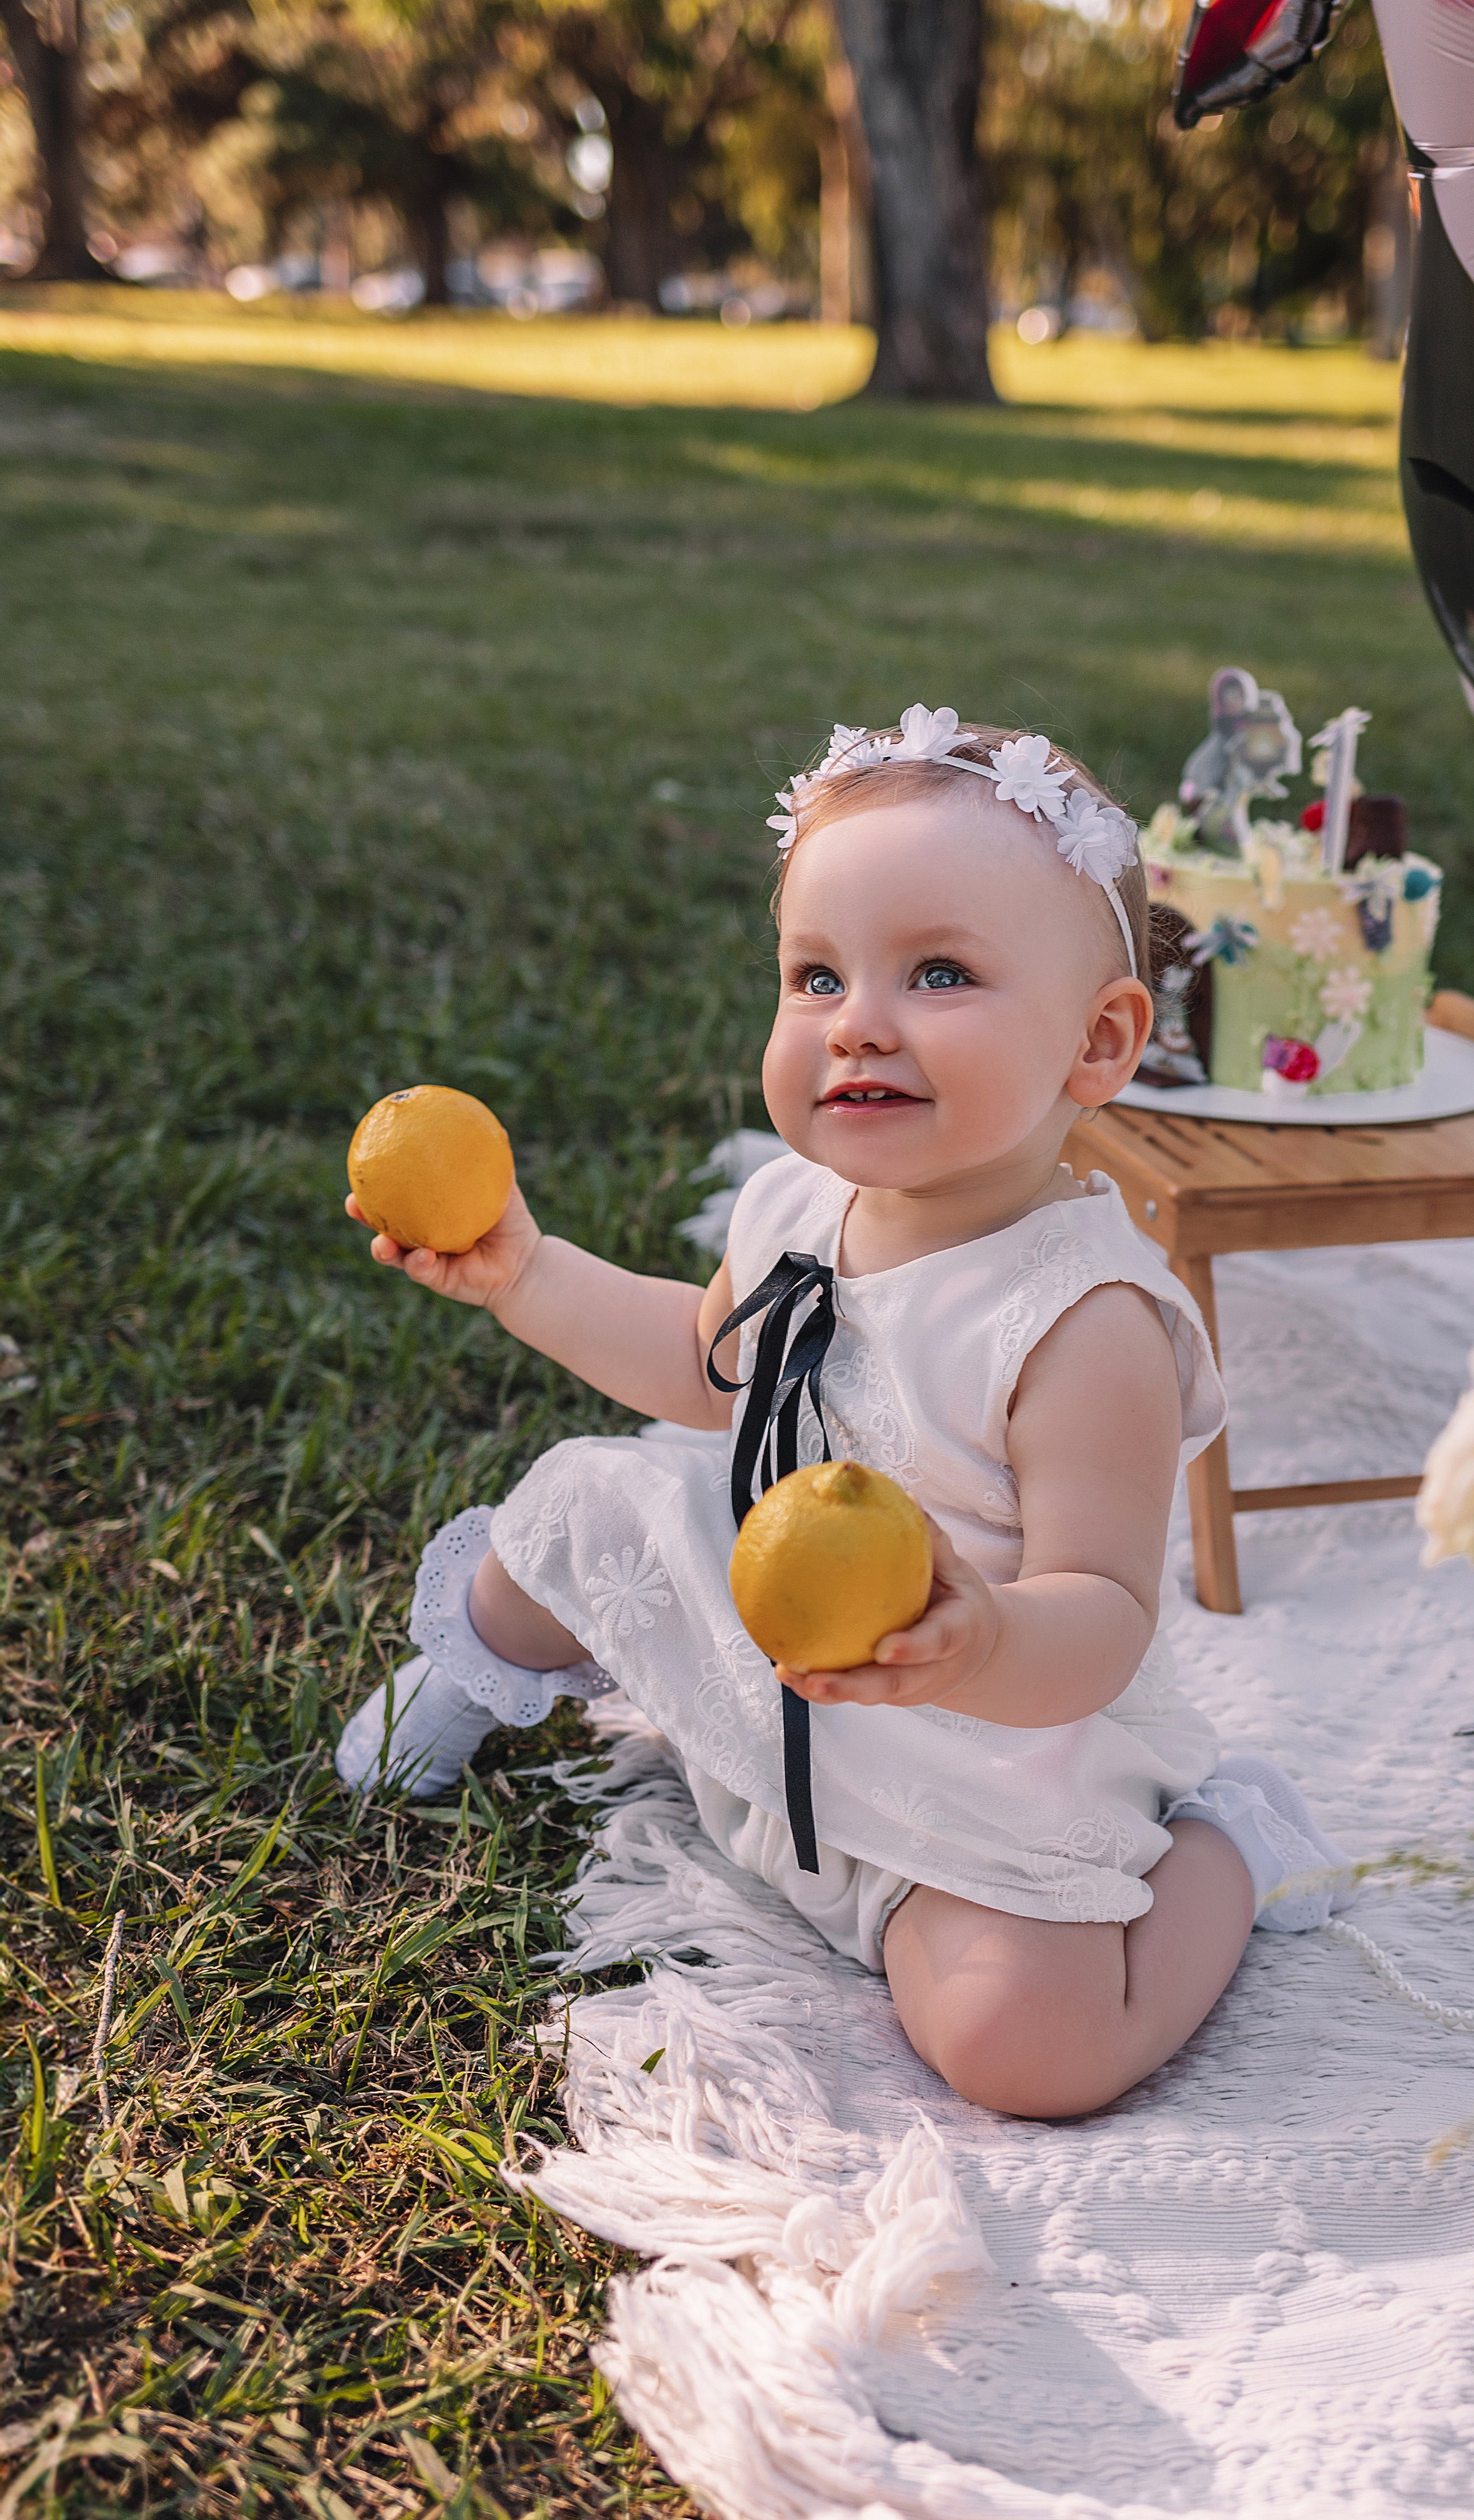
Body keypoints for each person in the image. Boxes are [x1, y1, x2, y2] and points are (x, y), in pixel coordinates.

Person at [334, 704, 1350, 2119]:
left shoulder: (1086, 1323)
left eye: (938, 972)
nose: (857, 1021)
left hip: (977, 1716)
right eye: (816, 975)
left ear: (1099, 1043)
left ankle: (1229, 1849)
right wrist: (526, 1273)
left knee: (1026, 2052)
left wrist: (979, 1636)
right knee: (583, 1504)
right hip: (780, 1607)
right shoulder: (802, 1201)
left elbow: (1103, 1615)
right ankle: (466, 1682)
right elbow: (706, 1367)